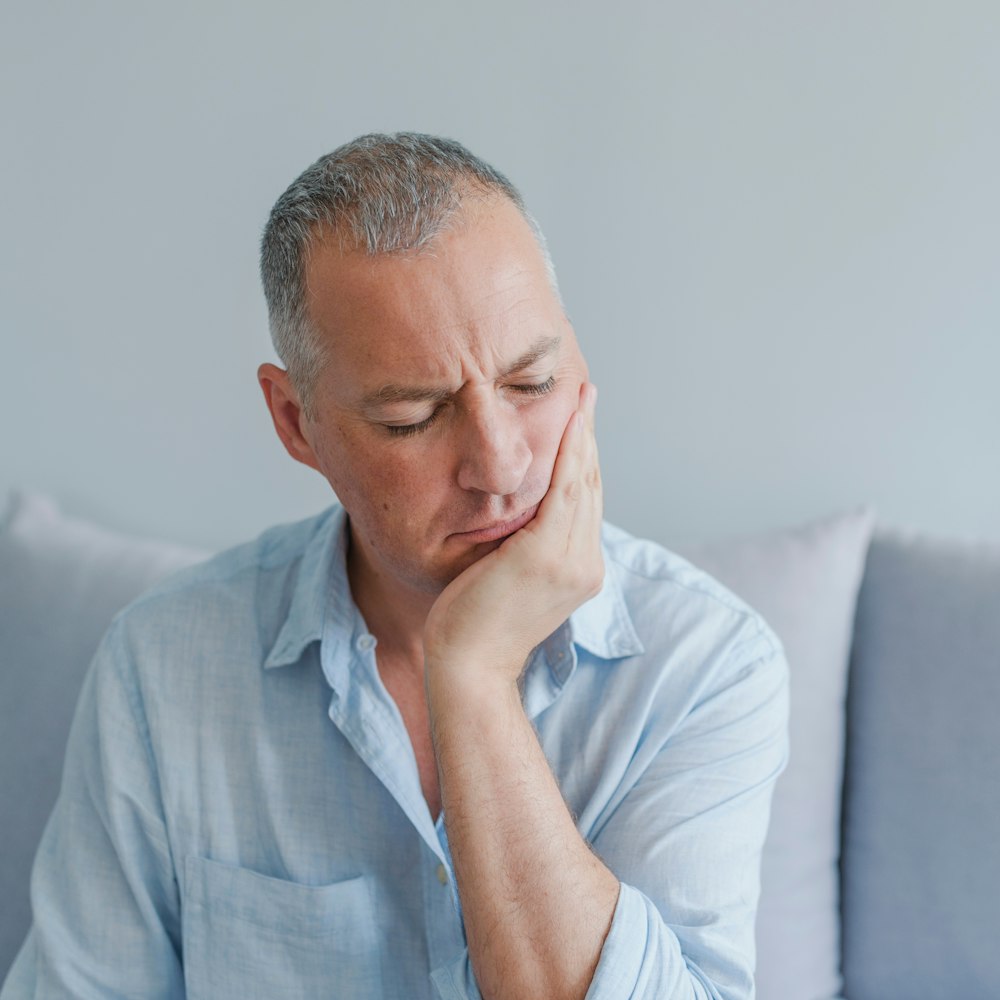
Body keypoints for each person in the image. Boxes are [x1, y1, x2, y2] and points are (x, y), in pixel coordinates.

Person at [2, 133, 789, 999]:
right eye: (414, 417)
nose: (500, 467)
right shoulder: (161, 667)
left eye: (531, 383)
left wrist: (476, 675)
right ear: (297, 423)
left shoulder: (706, 665)